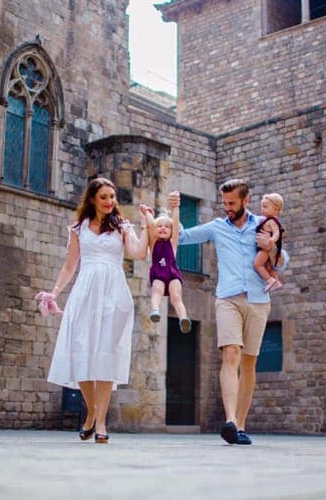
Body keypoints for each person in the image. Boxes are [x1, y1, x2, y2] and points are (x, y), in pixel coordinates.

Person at [169, 179, 288, 446]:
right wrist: (175, 211)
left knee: (248, 362)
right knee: (230, 353)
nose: (227, 208)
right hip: (228, 299)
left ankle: (242, 425)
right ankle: (231, 421)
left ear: (246, 201)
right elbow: (182, 237)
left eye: (232, 203)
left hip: (258, 300)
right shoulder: (216, 228)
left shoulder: (263, 223)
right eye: (224, 203)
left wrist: (271, 247)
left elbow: (283, 260)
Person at [36, 177, 148, 444]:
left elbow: (139, 252)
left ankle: (100, 423)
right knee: (81, 353)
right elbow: (69, 266)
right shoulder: (78, 228)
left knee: (105, 357)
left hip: (113, 295)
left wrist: (146, 226)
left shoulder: (122, 226)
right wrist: (55, 292)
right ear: (92, 199)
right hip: (85, 294)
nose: (110, 201)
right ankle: (92, 412)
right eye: (104, 197)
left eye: (112, 197)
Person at [140, 203, 192, 334]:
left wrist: (175, 207)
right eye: (160, 226)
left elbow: (175, 223)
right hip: (158, 273)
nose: (163, 228)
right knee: (157, 290)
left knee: (176, 297)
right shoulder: (153, 243)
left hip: (172, 273)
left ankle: (183, 319)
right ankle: (155, 310)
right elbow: (151, 225)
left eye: (167, 227)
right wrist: (147, 213)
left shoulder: (173, 242)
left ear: (172, 230)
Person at [254, 193, 285, 293]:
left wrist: (271, 240)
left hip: (265, 248)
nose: (262, 209)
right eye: (262, 207)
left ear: (275, 209)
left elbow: (277, 233)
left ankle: (269, 280)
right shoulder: (266, 220)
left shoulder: (272, 221)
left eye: (265, 207)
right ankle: (276, 281)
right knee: (268, 267)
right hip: (265, 247)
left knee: (257, 265)